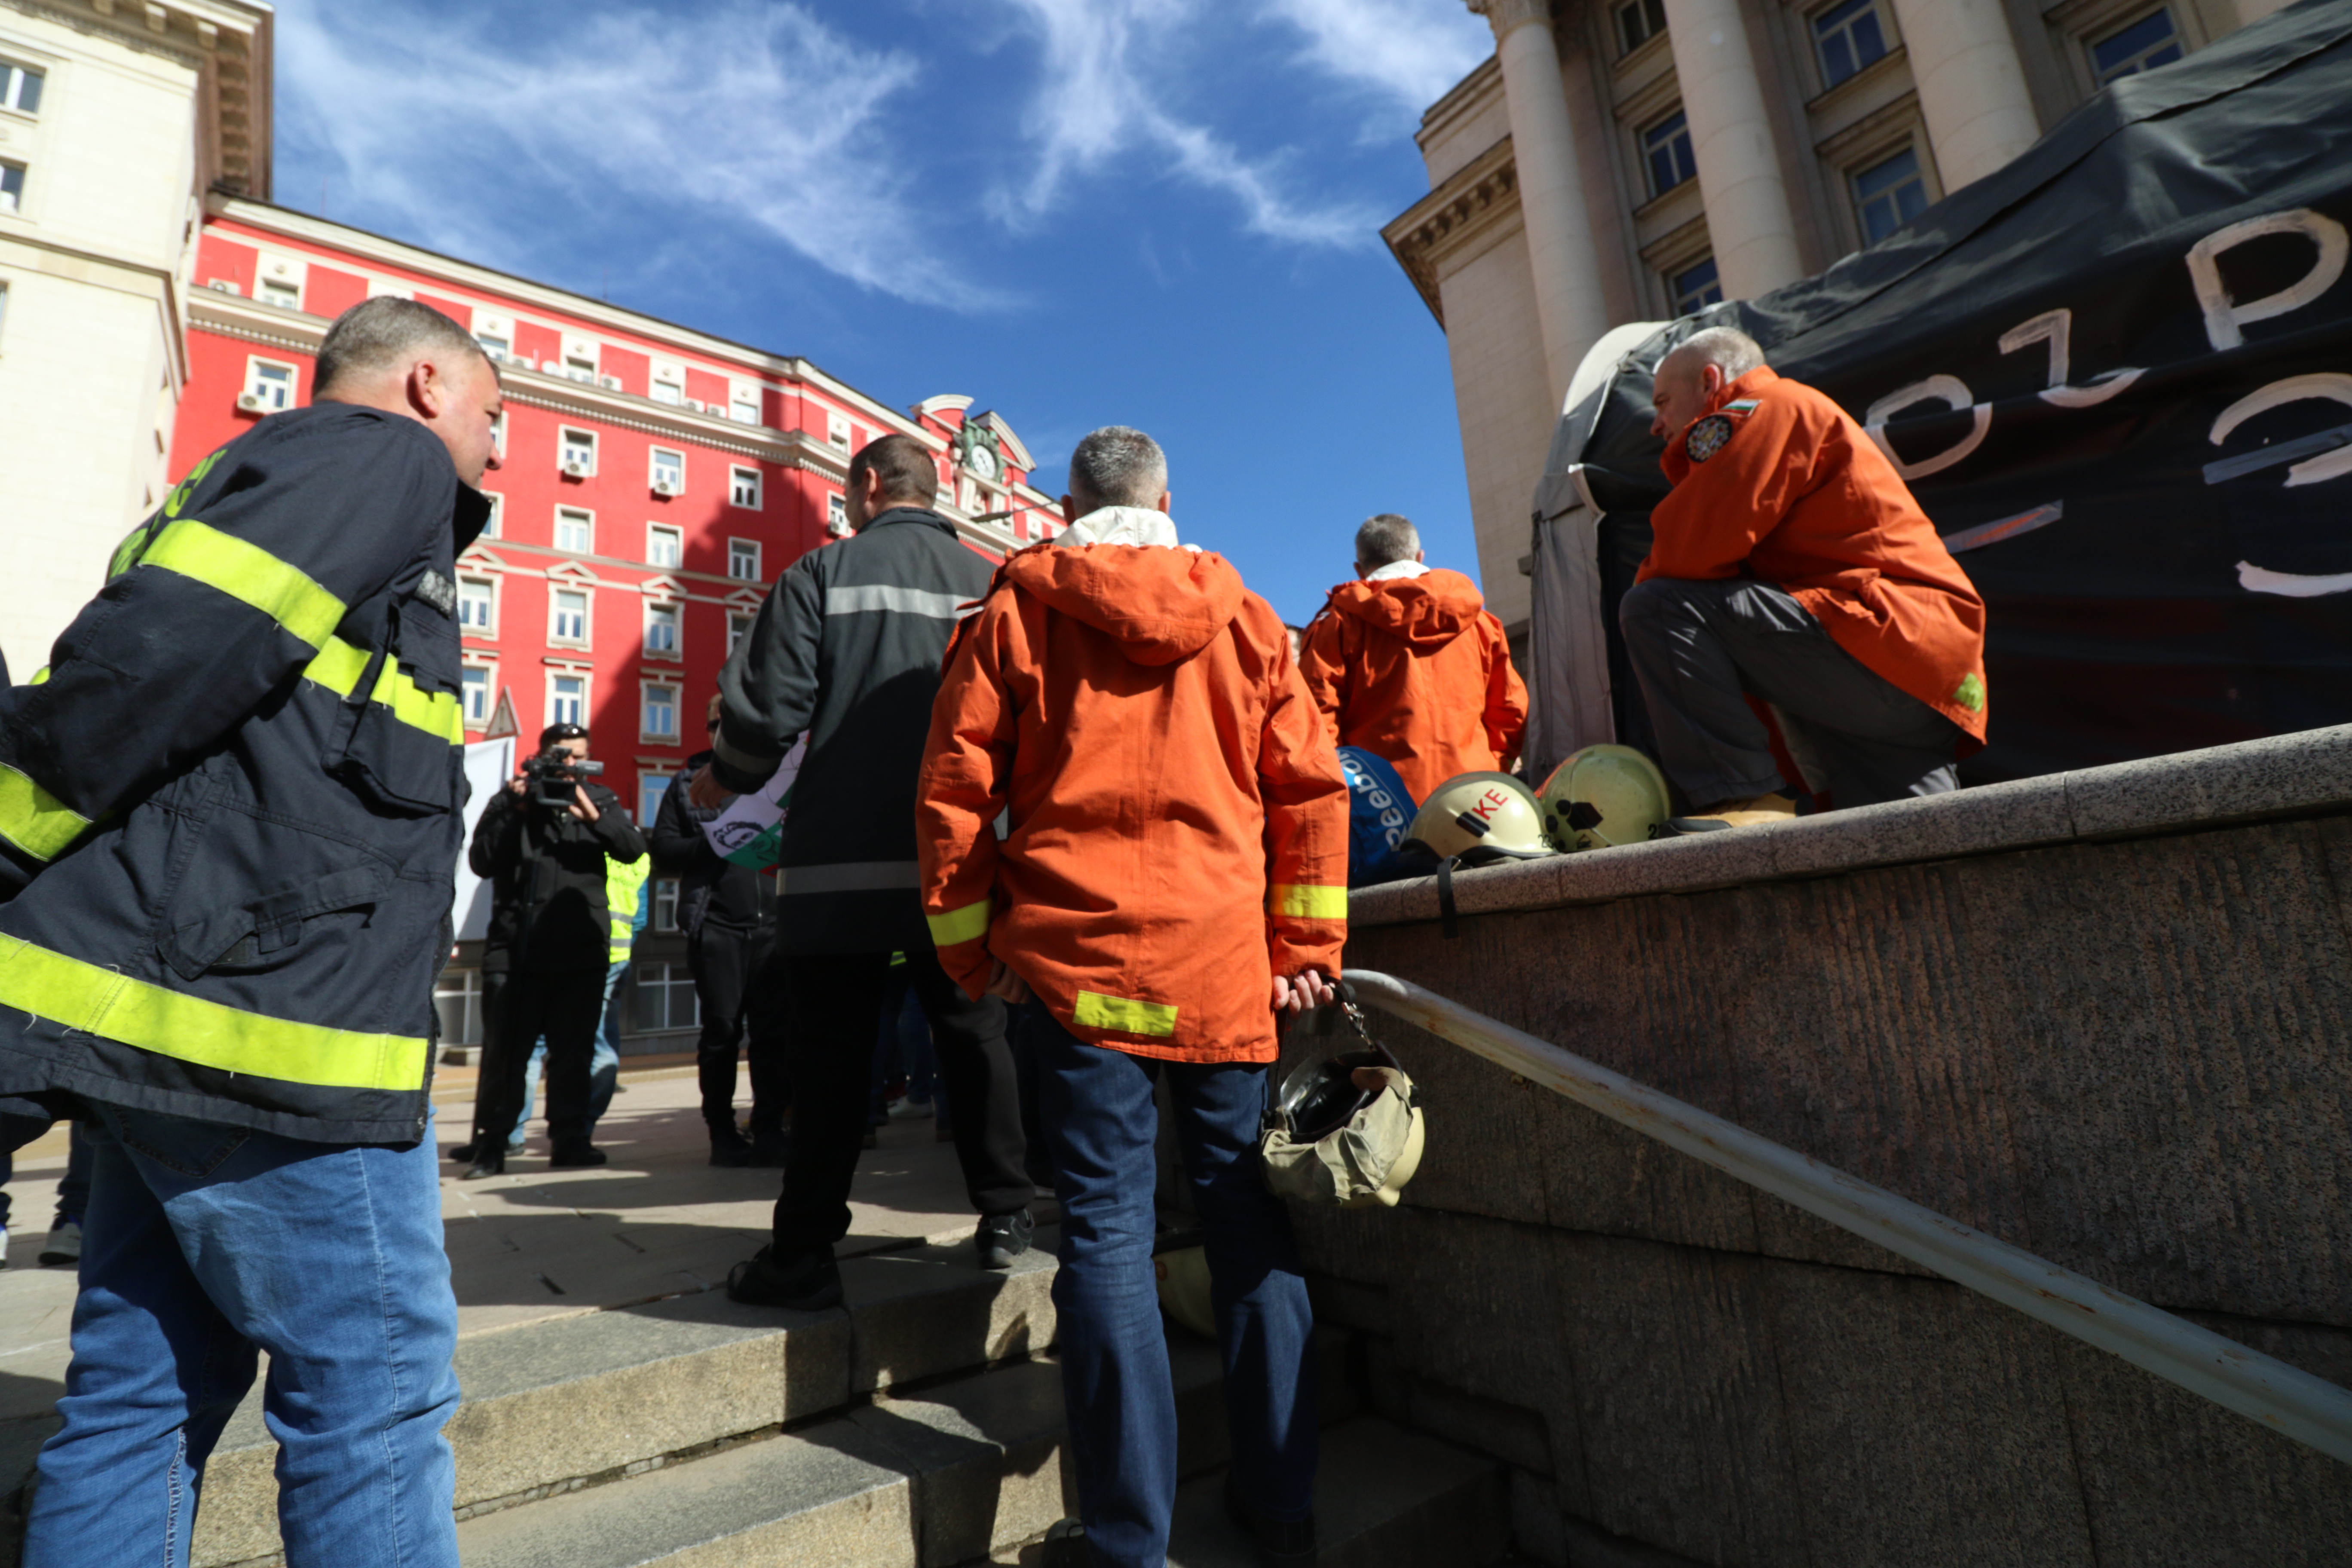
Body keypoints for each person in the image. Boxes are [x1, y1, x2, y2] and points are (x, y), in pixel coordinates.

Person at [0, 295, 499, 1567]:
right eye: (495, 419)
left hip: (178, 1017)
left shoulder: (253, 477)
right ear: (431, 386)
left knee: (139, 1393)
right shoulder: (378, 454)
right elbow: (164, 656)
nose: (495, 455)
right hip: (279, 1030)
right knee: (374, 1398)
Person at [917, 426, 1350, 1568]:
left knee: (1106, 1240)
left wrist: (976, 956)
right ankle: (1282, 1505)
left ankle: (1124, 1542)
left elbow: (954, 796)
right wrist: (1306, 939)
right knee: (1246, 1220)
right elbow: (1310, 791)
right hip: (1223, 974)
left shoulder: (1019, 608)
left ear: (1068, 506)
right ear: (1170, 498)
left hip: (1078, 974)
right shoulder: (1252, 620)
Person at [698, 433, 1035, 1309]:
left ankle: (805, 1251)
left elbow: (770, 709)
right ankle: (1006, 1217)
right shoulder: (996, 579)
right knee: (974, 1035)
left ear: (870, 485)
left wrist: (724, 776)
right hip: (960, 859)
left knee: (832, 1057)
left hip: (839, 862)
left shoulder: (822, 574)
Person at [1623, 326, 1989, 830]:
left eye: (1663, 402)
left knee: (1657, 605)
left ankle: (1744, 801)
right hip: (1927, 668)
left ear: (1710, 382)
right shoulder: (1800, 407)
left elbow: (1693, 545)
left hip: (1877, 635)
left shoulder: (1764, 407)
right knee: (1913, 842)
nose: (1655, 424)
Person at [457, 722, 645, 1177]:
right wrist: (517, 808)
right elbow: (481, 860)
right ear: (539, 755)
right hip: (515, 951)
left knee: (575, 1051)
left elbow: (632, 848)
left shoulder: (597, 798)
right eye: (561, 755)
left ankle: (571, 1141)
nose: (570, 765)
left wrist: (592, 817)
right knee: (506, 1054)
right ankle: (494, 1145)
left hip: (580, 952)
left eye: (578, 756)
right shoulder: (511, 800)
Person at [1298, 512, 1528, 802]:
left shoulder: (1336, 626)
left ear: (1359, 569)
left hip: (1383, 812)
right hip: (1477, 799)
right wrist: (1493, 766)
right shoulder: (1482, 624)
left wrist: (1350, 796)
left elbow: (1315, 721)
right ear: (1420, 556)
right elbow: (1510, 709)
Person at [650, 695, 788, 1167]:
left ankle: (770, 1128)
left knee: (773, 1034)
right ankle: (722, 1135)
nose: (721, 733)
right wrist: (722, 839)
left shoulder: (780, 777)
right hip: (716, 925)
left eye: (732, 725)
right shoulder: (687, 783)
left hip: (776, 928)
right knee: (721, 1033)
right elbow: (664, 852)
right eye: (715, 725)